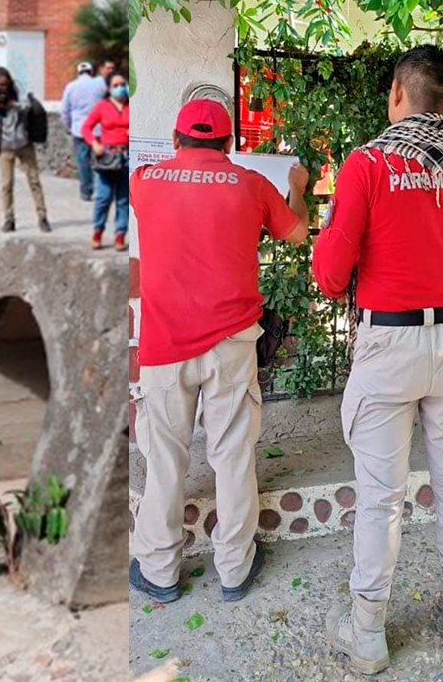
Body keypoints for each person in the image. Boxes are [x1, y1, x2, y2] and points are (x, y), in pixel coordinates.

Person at [311, 45, 443, 675]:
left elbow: (328, 276)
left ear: (397, 94)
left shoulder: (367, 165)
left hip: (389, 346)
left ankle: (369, 631)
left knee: (380, 496)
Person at [129, 98, 310, 605]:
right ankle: (234, 567)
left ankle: (161, 570)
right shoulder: (251, 186)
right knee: (232, 453)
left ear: (175, 140)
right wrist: (297, 189)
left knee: (164, 457)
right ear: (229, 144)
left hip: (165, 349)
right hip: (232, 343)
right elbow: (297, 234)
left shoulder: (144, 180)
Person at [0, 66, 51, 233]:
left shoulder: (19, 93)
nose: (4, 87)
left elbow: (28, 107)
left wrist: (12, 105)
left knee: (34, 182)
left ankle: (42, 217)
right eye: (1, 85)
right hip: (6, 147)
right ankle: (9, 220)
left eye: (7, 83)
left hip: (24, 144)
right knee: (7, 185)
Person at [82, 70, 131, 251]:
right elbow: (86, 128)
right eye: (115, 85)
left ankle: (120, 234)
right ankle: (98, 231)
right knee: (103, 197)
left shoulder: (132, 106)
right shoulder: (102, 106)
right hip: (106, 158)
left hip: (126, 157)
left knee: (123, 199)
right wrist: (94, 143)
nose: (120, 88)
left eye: (122, 84)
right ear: (109, 89)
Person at [60, 62, 107, 202]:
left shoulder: (71, 87)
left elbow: (65, 111)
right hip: (99, 129)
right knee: (102, 160)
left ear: (78, 72)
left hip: (79, 130)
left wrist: (69, 126)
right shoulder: (100, 84)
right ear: (91, 72)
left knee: (83, 161)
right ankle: (103, 190)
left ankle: (86, 192)